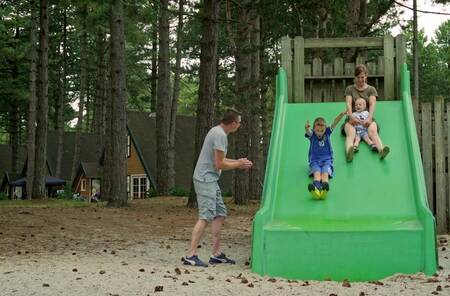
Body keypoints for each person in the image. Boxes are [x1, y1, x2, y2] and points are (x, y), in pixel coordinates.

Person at [182, 109, 253, 267]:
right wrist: (239, 165)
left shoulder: (217, 131)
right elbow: (219, 164)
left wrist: (237, 161)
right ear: (233, 123)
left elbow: (219, 159)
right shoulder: (220, 135)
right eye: (239, 122)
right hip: (205, 180)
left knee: (220, 214)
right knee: (205, 217)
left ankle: (216, 254)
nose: (240, 125)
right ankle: (190, 255)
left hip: (211, 180)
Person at [342, 64, 390, 162]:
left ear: (366, 76)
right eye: (358, 77)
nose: (360, 80)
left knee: (373, 131)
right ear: (355, 77)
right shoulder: (350, 89)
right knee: (351, 133)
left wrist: (369, 118)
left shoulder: (371, 89)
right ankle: (349, 152)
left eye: (362, 77)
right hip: (352, 118)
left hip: (367, 118)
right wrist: (351, 117)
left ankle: (381, 151)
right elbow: (348, 103)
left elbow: (372, 104)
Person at [305, 111, 346, 199]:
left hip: (327, 159)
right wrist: (306, 128)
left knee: (325, 173)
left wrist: (341, 115)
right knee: (317, 173)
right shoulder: (312, 135)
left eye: (322, 130)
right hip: (315, 160)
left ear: (325, 129)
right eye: (318, 131)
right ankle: (316, 189)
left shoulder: (327, 132)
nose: (320, 133)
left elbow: (334, 123)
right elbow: (308, 132)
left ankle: (324, 189)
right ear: (314, 129)